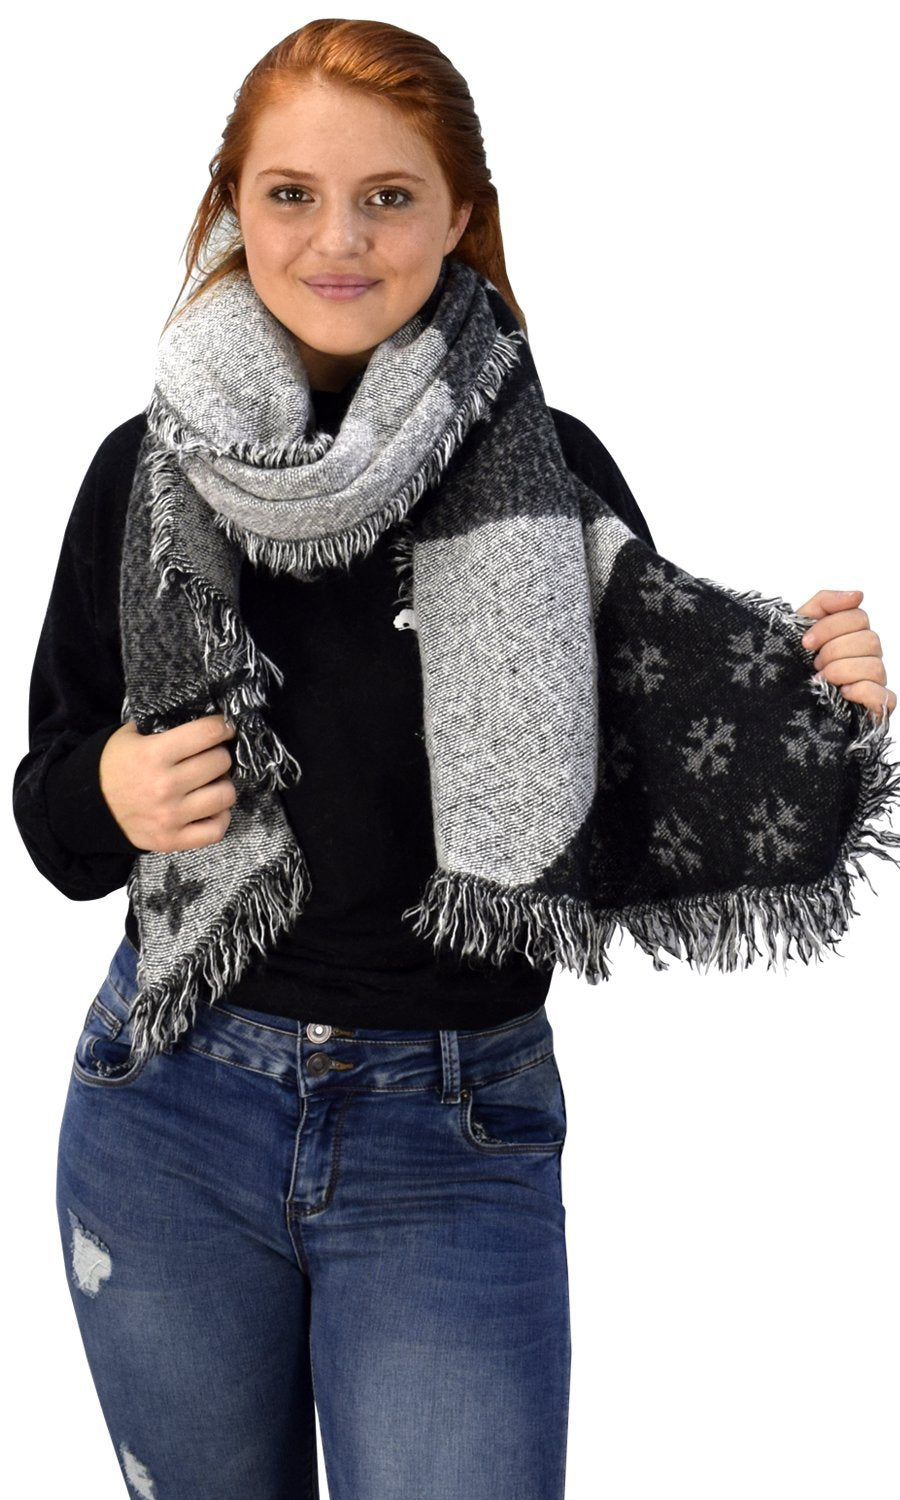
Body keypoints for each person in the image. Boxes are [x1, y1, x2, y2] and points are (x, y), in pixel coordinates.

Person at [12, 18, 895, 1500]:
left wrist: (822, 704)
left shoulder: (555, 476)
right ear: (233, 207)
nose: (338, 239)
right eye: (291, 194)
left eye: (388, 196)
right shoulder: (144, 475)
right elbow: (52, 813)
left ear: (461, 214)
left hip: (452, 1129)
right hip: (168, 1106)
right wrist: (107, 786)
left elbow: (650, 783)